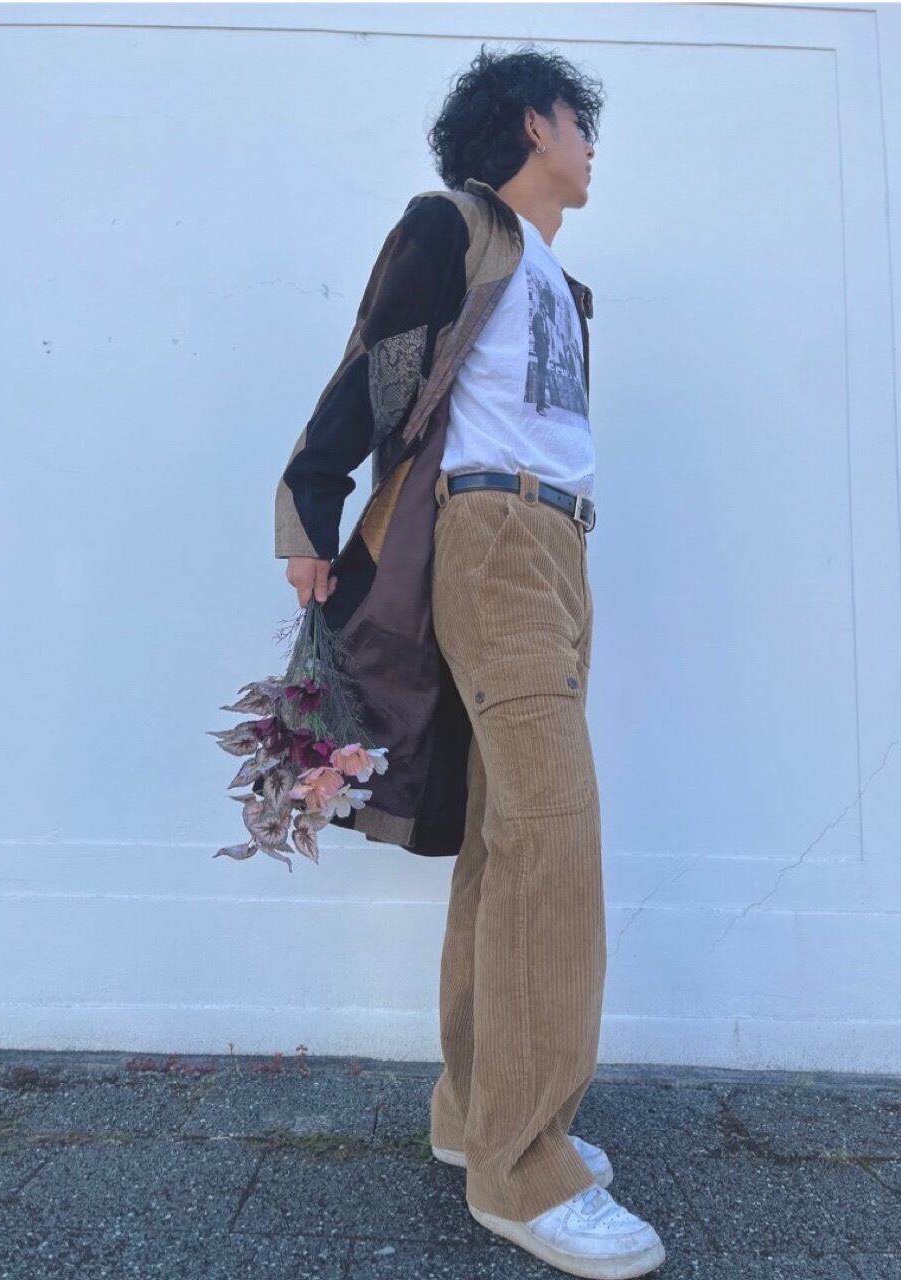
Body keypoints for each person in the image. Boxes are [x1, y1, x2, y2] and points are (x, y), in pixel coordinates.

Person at [276, 43, 665, 1280]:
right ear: (531, 124)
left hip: (556, 546)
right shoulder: (452, 225)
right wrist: (308, 509)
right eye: (578, 123)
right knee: (555, 834)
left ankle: (473, 1110)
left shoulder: (556, 279)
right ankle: (522, 1166)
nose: (590, 146)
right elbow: (373, 358)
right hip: (490, 536)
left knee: (510, 837)